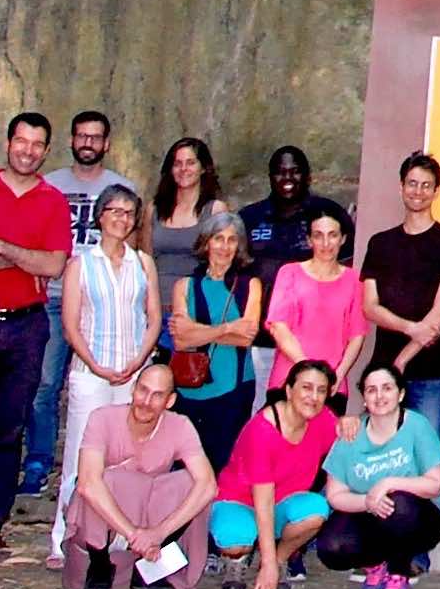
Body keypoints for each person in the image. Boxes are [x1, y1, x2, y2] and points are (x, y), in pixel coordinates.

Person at [0, 114, 73, 541]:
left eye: (37, 144)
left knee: (10, 426)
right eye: (21, 141)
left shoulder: (52, 200)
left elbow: (54, 264)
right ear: (8, 143)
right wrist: (27, 257)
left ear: (46, 151)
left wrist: (2, 249)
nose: (27, 151)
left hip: (27, 324)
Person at [49, 186, 159, 563]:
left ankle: (116, 537)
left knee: (126, 457)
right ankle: (63, 537)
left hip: (133, 373)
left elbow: (153, 318)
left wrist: (137, 362)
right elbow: (71, 325)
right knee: (81, 455)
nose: (122, 219)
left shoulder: (143, 263)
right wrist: (96, 365)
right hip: (91, 374)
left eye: (129, 213)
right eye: (115, 211)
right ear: (100, 216)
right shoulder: (80, 265)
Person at [26, 109, 132, 495]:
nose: (88, 143)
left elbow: (133, 246)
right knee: (45, 382)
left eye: (95, 137)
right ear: (71, 140)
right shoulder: (49, 185)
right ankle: (39, 459)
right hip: (55, 297)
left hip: (102, 302)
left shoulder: (122, 187)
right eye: (81, 136)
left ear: (107, 143)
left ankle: (104, 462)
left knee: (103, 382)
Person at [62, 361, 216, 589]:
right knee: (104, 479)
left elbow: (208, 485)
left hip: (149, 521)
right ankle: (100, 565)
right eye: (143, 390)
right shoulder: (102, 418)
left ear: (170, 401)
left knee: (189, 482)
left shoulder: (180, 425)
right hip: (106, 522)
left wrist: (157, 534)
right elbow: (87, 483)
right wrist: (134, 535)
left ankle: (149, 570)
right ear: (133, 389)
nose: (146, 401)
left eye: (157, 395)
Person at [314, 362, 440, 589]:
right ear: (364, 398)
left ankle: (399, 573)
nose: (379, 396)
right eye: (371, 390)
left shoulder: (416, 425)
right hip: (369, 515)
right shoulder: (351, 432)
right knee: (331, 547)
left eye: (387, 388)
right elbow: (335, 495)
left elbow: (435, 484)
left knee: (399, 503)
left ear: (401, 394)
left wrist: (388, 483)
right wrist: (367, 501)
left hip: (418, 519)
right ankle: (375, 564)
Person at [357, 153, 440, 436]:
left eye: (426, 185)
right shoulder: (380, 243)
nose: (418, 191)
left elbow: (438, 316)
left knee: (425, 451)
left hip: (429, 373)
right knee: (378, 448)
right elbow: (370, 307)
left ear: (436, 191)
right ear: (401, 187)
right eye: (412, 183)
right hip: (382, 368)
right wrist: (410, 329)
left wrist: (402, 361)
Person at [213, 360, 340, 589]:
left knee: (316, 511)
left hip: (283, 502)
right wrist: (267, 564)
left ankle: (280, 559)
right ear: (289, 390)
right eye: (306, 387)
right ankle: (237, 560)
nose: (313, 397)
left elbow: (351, 447)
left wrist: (350, 423)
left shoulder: (323, 419)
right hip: (241, 500)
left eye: (321, 390)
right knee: (236, 540)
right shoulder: (263, 430)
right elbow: (263, 501)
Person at [239, 147, 353, 397]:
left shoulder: (327, 213)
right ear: (270, 176)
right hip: (261, 341)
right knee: (264, 410)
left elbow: (344, 273)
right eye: (280, 172)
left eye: (295, 171)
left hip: (314, 344)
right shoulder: (250, 218)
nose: (288, 178)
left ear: (307, 176)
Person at [171, 211, 262, 475]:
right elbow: (181, 339)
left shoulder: (250, 285)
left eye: (232, 240)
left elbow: (247, 336)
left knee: (224, 467)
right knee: (185, 467)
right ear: (206, 242)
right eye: (218, 238)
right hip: (190, 389)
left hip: (233, 390)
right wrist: (228, 328)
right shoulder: (184, 286)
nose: (225, 246)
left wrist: (197, 331)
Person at [265, 212, 368, 396]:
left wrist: (338, 374)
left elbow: (357, 335)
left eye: (333, 235)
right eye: (318, 235)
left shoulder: (353, 279)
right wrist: (309, 372)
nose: (326, 243)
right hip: (289, 380)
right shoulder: (289, 273)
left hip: (332, 385)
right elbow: (278, 327)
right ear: (309, 240)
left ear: (343, 239)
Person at [146, 138, 230, 321]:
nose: (184, 169)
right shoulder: (154, 209)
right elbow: (145, 260)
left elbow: (221, 265)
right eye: (177, 164)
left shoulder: (216, 210)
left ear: (203, 168)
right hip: (156, 307)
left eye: (190, 163)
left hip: (196, 308)